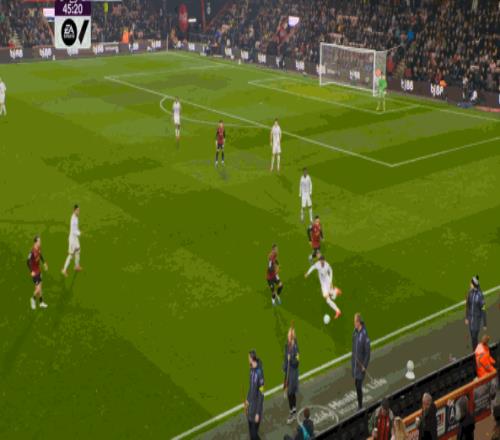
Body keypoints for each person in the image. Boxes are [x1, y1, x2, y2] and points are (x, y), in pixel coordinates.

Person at [352, 313, 370, 410]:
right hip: (356, 364)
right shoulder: (355, 332)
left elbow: (368, 352)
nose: (354, 323)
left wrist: (364, 365)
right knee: (356, 384)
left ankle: (360, 406)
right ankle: (359, 404)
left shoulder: (364, 334)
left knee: (358, 386)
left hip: (361, 366)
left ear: (359, 322)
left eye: (355, 322)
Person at [245, 350, 264, 440]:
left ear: (252, 358)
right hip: (250, 408)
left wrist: (257, 413)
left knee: (254, 435)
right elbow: (250, 387)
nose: (248, 359)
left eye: (248, 358)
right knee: (251, 434)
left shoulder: (260, 373)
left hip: (256, 409)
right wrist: (247, 400)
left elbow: (261, 395)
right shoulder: (251, 370)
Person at [465, 275, 486, 350]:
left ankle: (475, 351)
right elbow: (468, 305)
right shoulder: (470, 293)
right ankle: (475, 350)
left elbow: (483, 309)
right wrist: (467, 317)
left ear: (473, 284)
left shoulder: (480, 296)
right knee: (473, 337)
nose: (470, 284)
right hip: (471, 320)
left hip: (476, 321)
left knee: (474, 337)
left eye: (471, 283)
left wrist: (485, 323)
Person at [284, 324, 300, 424]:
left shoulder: (296, 348)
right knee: (291, 393)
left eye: (289, 335)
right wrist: (284, 367)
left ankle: (292, 414)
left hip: (293, 373)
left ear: (292, 337)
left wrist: (291, 360)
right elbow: (285, 358)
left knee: (290, 393)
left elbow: (297, 363)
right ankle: (294, 410)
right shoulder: (287, 346)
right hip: (288, 372)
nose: (288, 336)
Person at [27, 236, 49, 309]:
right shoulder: (32, 252)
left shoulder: (38, 248)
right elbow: (27, 262)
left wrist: (44, 263)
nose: (40, 242)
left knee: (40, 287)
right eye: (39, 241)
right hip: (35, 272)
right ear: (35, 242)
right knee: (38, 289)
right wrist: (31, 271)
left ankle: (41, 302)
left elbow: (40, 255)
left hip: (38, 270)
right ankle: (32, 299)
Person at [62, 204, 83, 276]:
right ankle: (64, 270)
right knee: (71, 255)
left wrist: (78, 233)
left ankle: (76, 266)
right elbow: (74, 230)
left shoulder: (76, 217)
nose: (79, 211)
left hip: (75, 238)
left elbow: (75, 229)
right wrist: (79, 233)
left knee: (78, 250)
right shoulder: (73, 219)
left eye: (79, 210)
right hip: (72, 240)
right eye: (77, 210)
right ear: (74, 210)